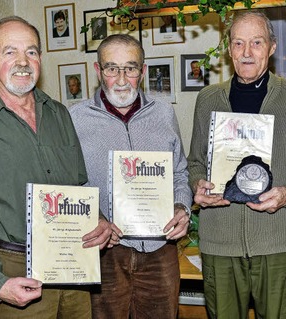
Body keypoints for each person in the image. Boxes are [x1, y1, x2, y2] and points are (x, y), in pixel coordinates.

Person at [0, 16, 111, 319]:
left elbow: (76, 188)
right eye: (10, 52)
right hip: (11, 270)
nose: (23, 61)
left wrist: (98, 220)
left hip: (72, 266)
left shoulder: (60, 114)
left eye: (32, 52)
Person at [187, 10, 286, 319]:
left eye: (256, 42)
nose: (246, 52)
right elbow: (194, 162)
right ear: (229, 48)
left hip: (278, 242)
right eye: (238, 43)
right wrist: (197, 184)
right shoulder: (208, 98)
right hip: (219, 243)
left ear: (272, 47)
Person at [69, 34, 192, 319]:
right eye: (112, 68)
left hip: (161, 250)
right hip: (106, 252)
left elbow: (180, 172)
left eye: (131, 68)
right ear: (98, 71)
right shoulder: (75, 118)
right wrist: (95, 218)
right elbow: (71, 184)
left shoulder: (163, 113)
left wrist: (182, 207)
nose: (122, 79)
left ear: (143, 71)